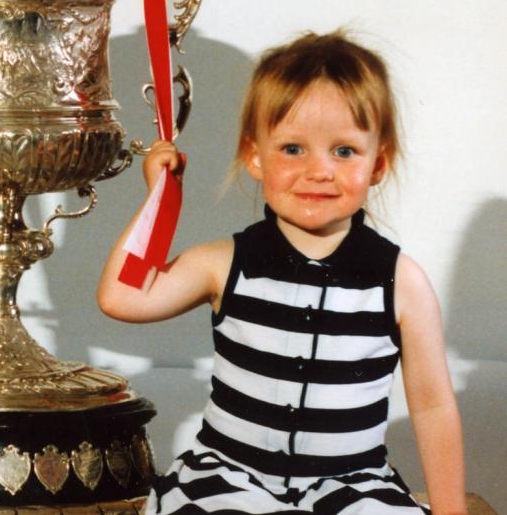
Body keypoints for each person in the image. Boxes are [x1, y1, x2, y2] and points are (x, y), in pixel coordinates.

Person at [98, 32, 466, 514]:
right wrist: (157, 198)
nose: (318, 171)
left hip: (350, 485)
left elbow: (433, 407)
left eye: (344, 151)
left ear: (379, 163)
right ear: (255, 155)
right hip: (230, 477)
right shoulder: (227, 263)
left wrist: (452, 511)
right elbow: (121, 298)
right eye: (293, 149)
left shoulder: (400, 282)